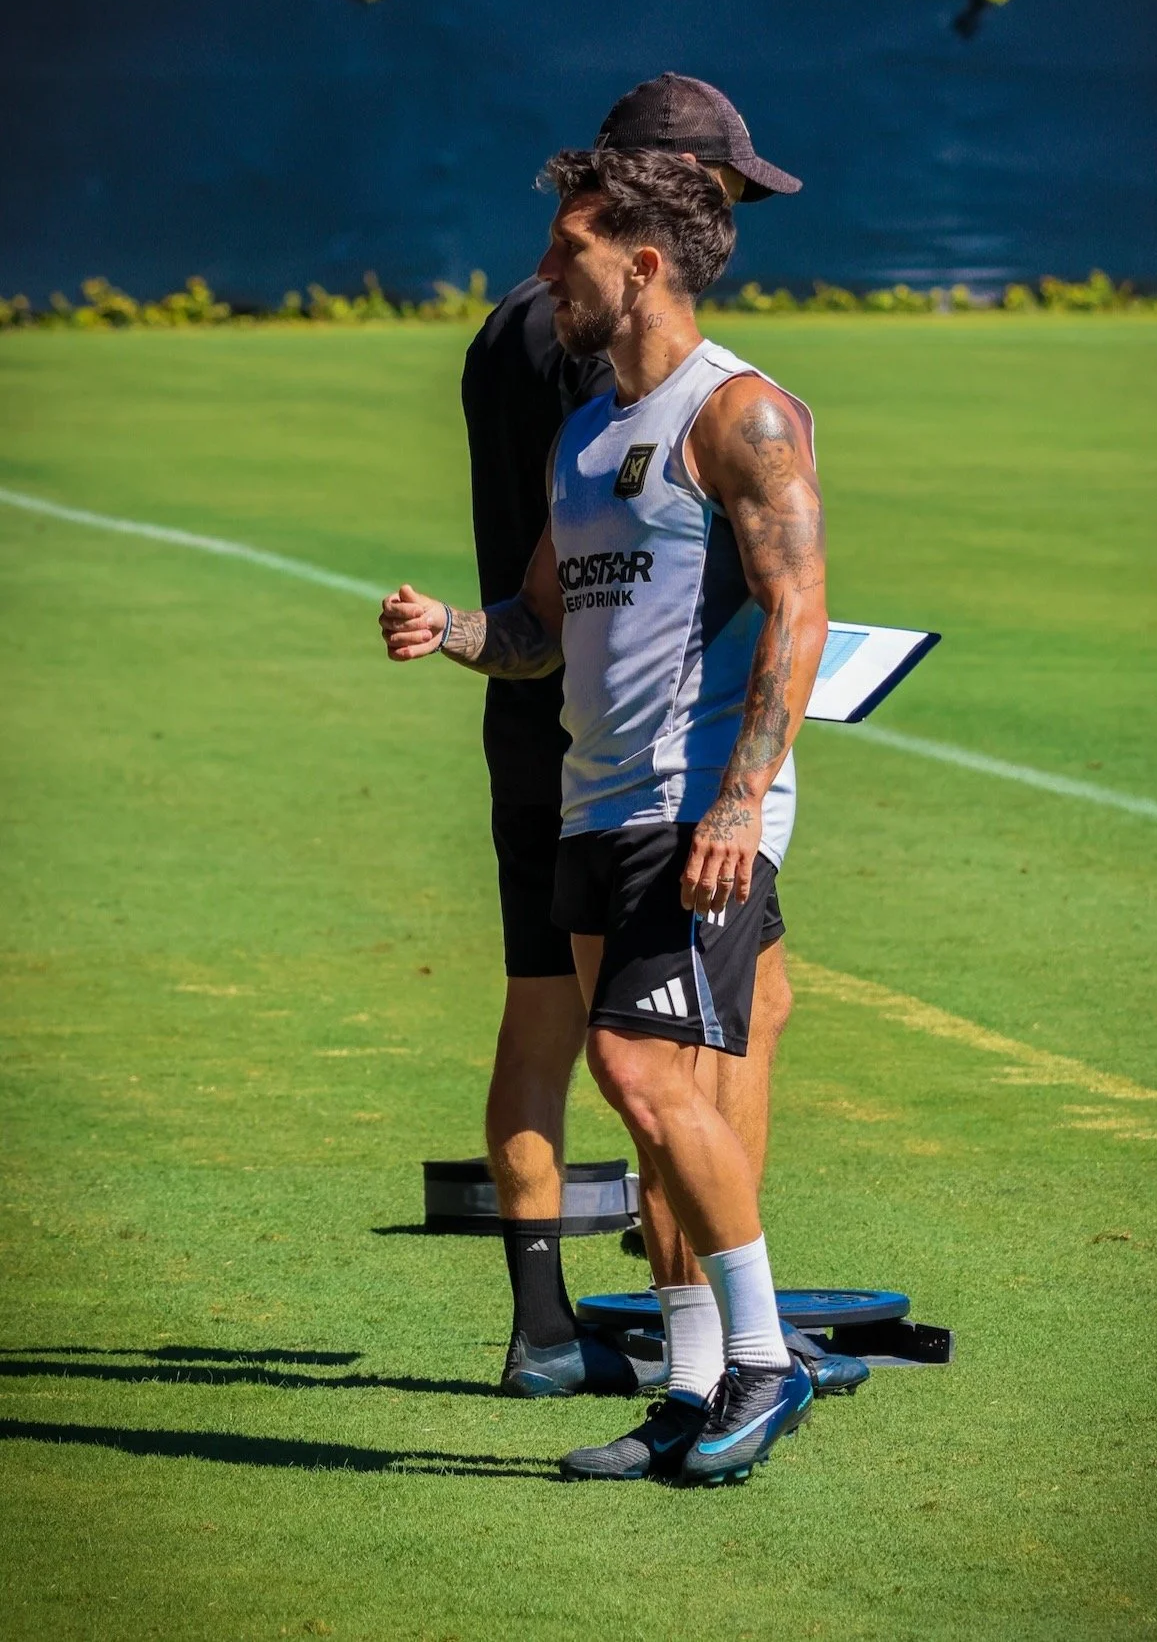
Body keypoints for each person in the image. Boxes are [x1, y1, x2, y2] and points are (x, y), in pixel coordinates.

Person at [381, 142, 830, 1484]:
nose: (541, 279)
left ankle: (760, 1363)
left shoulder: (737, 413)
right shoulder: (585, 433)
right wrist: (449, 627)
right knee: (635, 1101)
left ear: (641, 264)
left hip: (694, 813)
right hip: (592, 808)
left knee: (643, 1071)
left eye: (565, 255)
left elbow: (799, 613)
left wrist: (739, 805)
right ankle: (692, 1389)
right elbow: (536, 625)